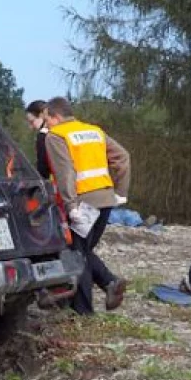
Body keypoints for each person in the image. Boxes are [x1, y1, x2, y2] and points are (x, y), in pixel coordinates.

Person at [43, 96, 130, 315]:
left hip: (83, 204)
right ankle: (109, 283)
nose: (46, 125)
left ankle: (83, 312)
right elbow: (123, 157)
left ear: (56, 116)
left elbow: (65, 172)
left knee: (76, 254)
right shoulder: (94, 131)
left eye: (47, 120)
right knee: (83, 250)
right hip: (105, 200)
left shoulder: (56, 136)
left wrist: (70, 206)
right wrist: (121, 193)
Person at [25, 100, 52, 179]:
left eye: (32, 122)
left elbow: (42, 167)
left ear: (41, 115)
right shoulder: (61, 131)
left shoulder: (42, 136)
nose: (31, 126)